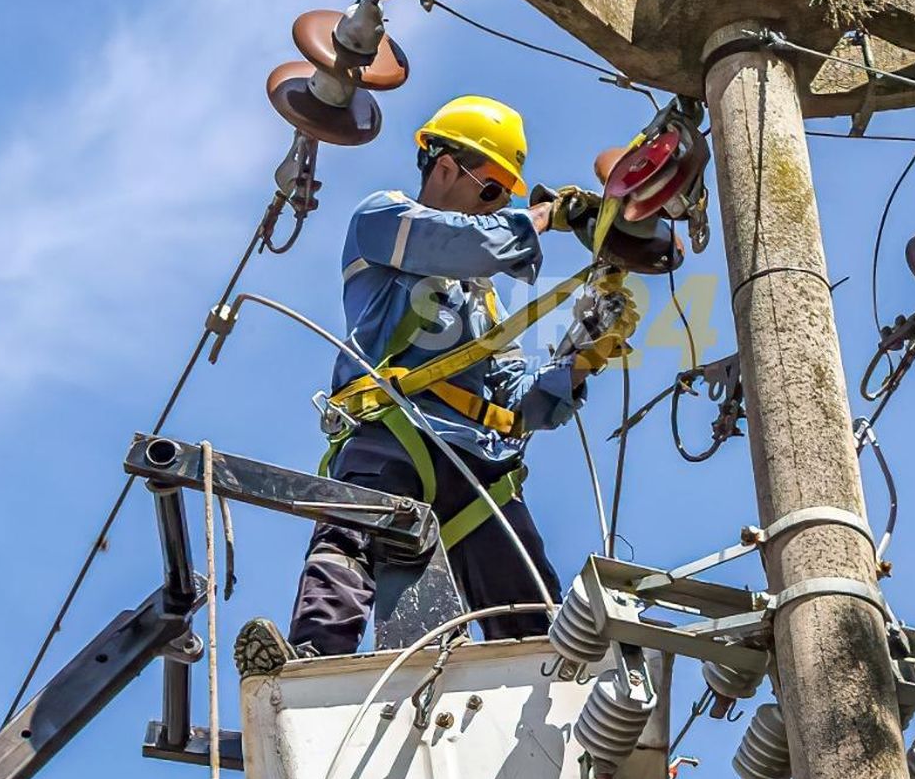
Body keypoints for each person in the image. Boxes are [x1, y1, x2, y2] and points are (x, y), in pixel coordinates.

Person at [235, 95, 629, 672]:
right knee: (351, 539)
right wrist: (544, 217)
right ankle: (311, 663)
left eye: (502, 198)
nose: (496, 207)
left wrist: (582, 355)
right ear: (446, 166)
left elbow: (516, 398)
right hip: (392, 431)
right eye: (492, 190)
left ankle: (552, 697)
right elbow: (468, 244)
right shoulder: (382, 219)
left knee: (529, 606)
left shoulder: (484, 299)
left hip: (476, 462)